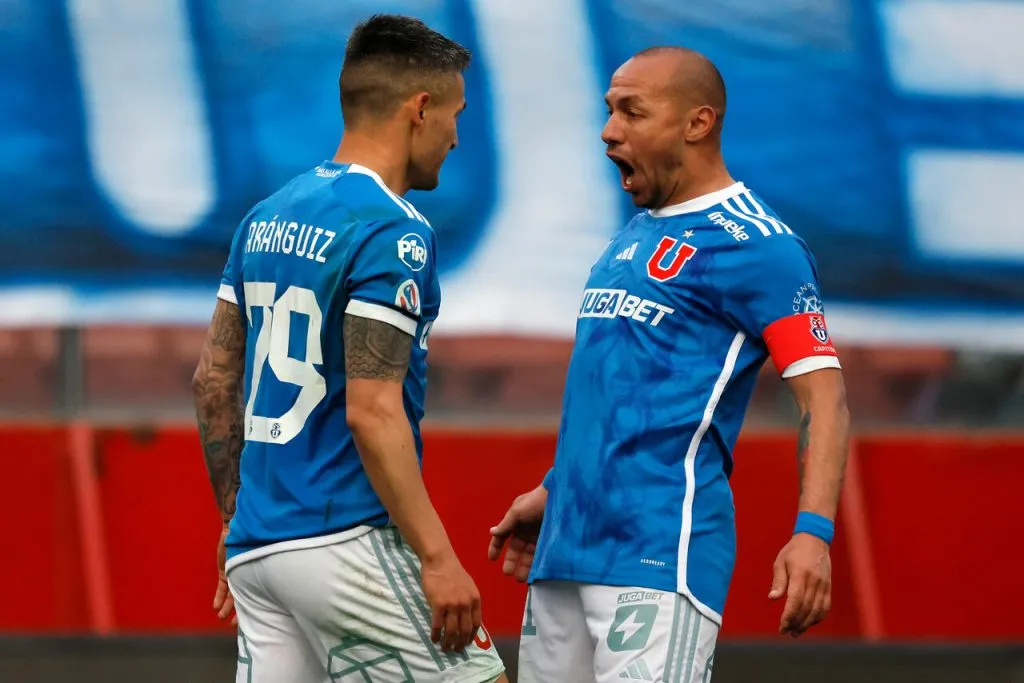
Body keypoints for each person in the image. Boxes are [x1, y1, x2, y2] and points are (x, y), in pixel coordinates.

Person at [488, 46, 850, 682]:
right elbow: (622, 387)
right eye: (609, 111)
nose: (609, 130)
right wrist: (555, 487)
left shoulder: (760, 247)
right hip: (566, 551)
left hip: (660, 556)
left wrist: (812, 532)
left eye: (632, 111)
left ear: (697, 123)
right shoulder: (629, 236)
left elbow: (826, 400)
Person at [191, 14, 506, 683]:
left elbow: (213, 379)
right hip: (345, 542)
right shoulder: (394, 233)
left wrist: (234, 514)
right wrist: (437, 555)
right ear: (420, 109)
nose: (455, 136)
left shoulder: (265, 217)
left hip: (258, 553)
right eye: (455, 114)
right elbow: (373, 410)